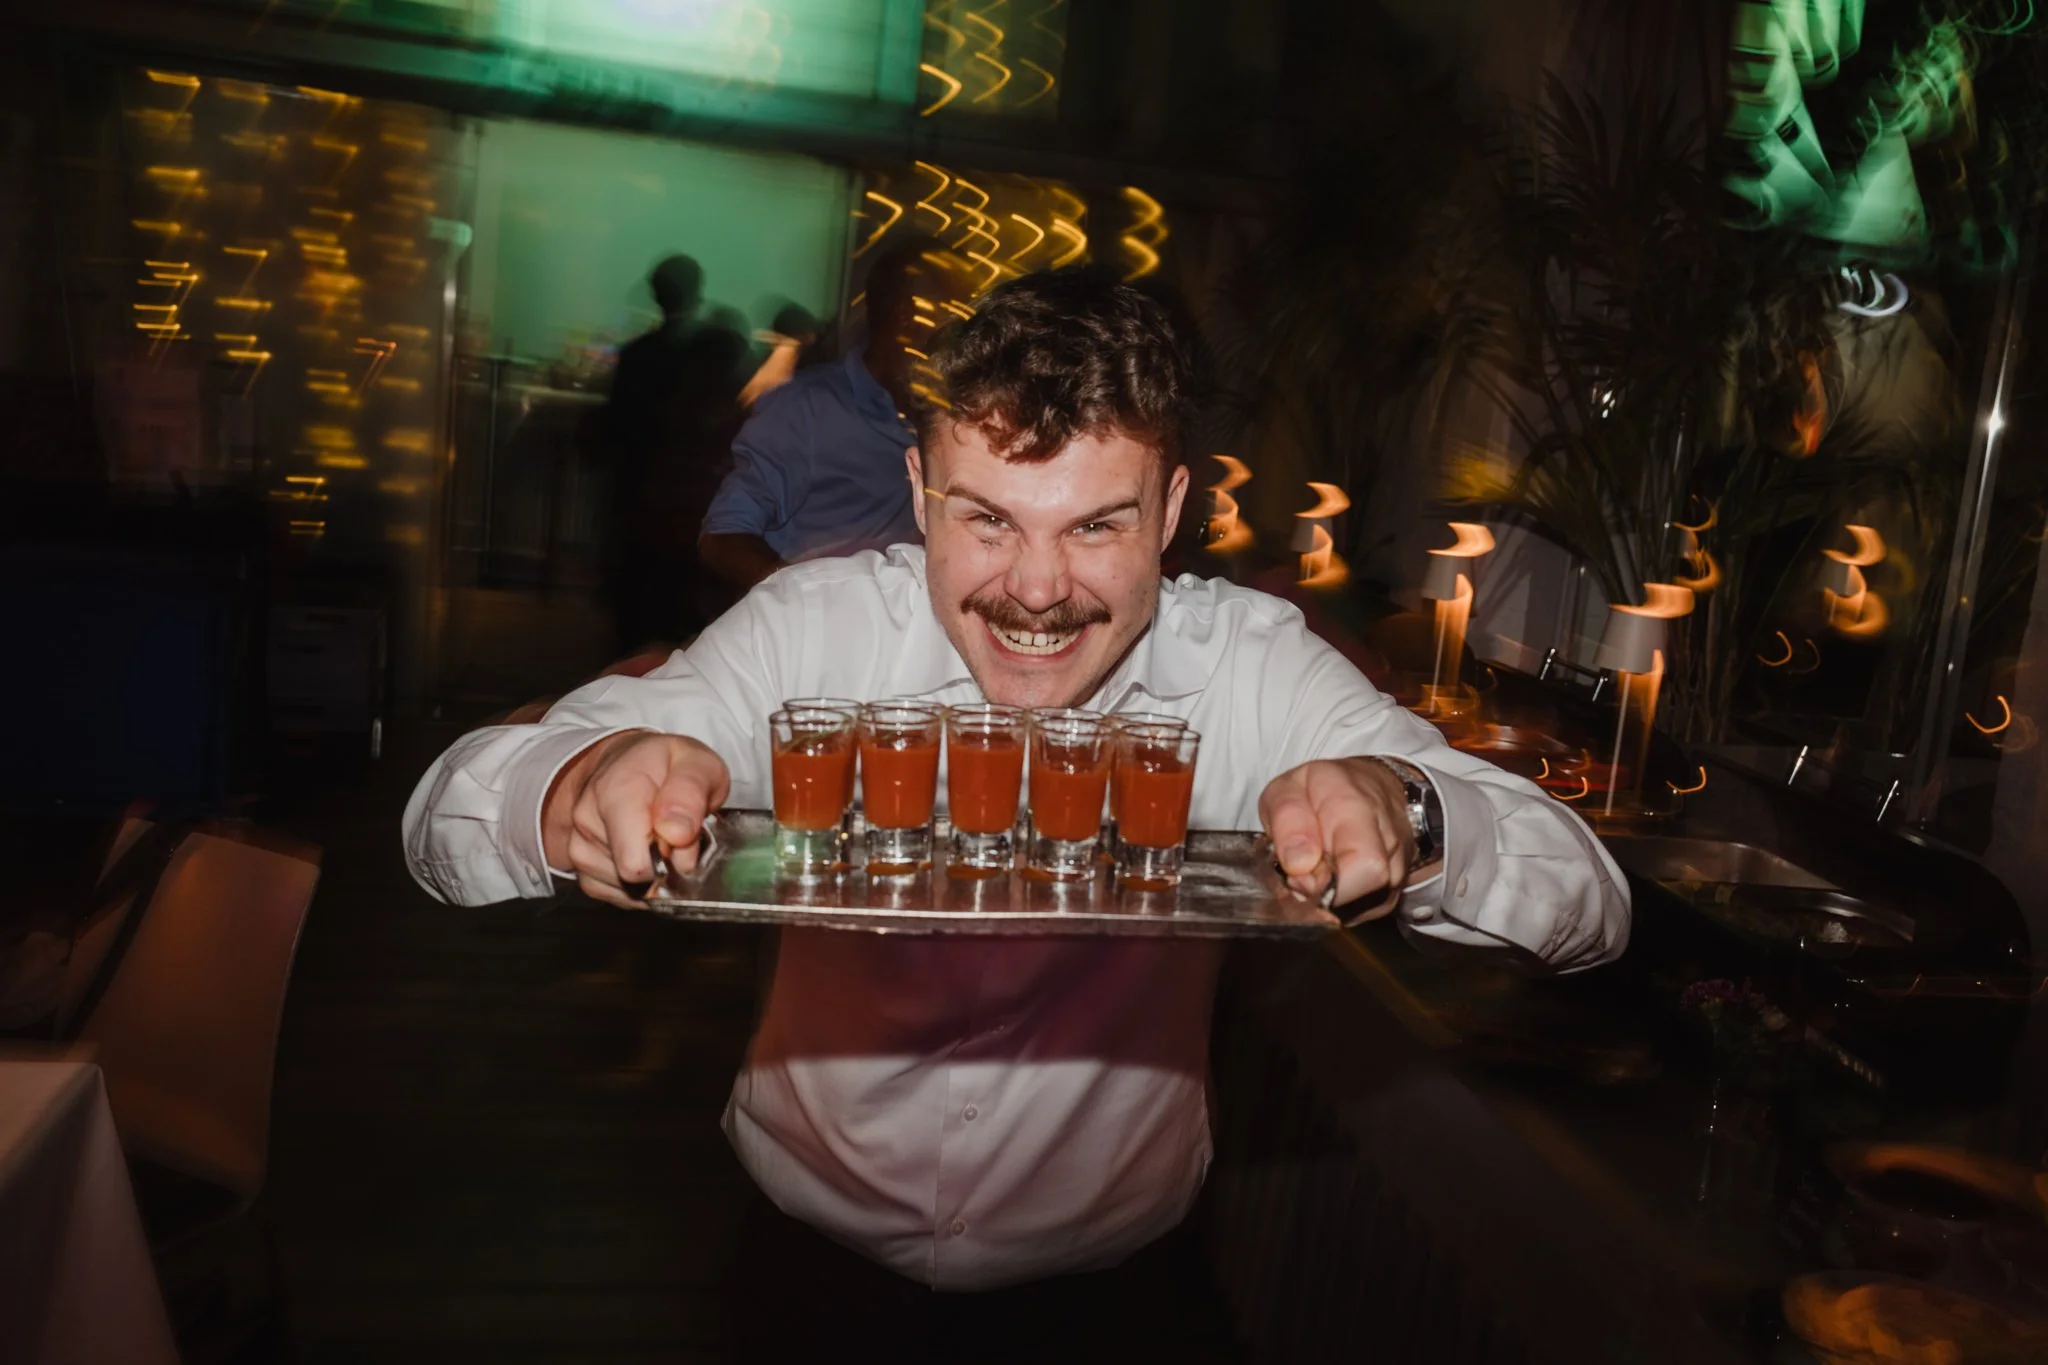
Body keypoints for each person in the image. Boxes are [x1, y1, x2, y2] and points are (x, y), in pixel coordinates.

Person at [403, 268, 1630, 1361]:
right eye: (987, 517)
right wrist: (583, 782)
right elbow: (444, 820)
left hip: (1109, 1301)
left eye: (1095, 524)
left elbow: (1592, 904)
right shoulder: (811, 629)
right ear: (918, 493)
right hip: (800, 1279)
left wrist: (1409, 811)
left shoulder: (1252, 665)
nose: (1036, 590)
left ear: (1171, 510)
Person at [696, 237, 941, 589]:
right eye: (955, 310)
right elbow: (724, 536)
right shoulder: (807, 408)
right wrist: (807, 608)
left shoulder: (940, 416)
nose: (966, 326)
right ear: (906, 316)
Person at [601, 254, 749, 651]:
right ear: (698, 292)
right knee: (684, 614)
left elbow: (615, 429)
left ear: (655, 295)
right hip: (695, 500)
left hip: (642, 498)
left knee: (639, 608)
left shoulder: (636, 356)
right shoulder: (718, 353)